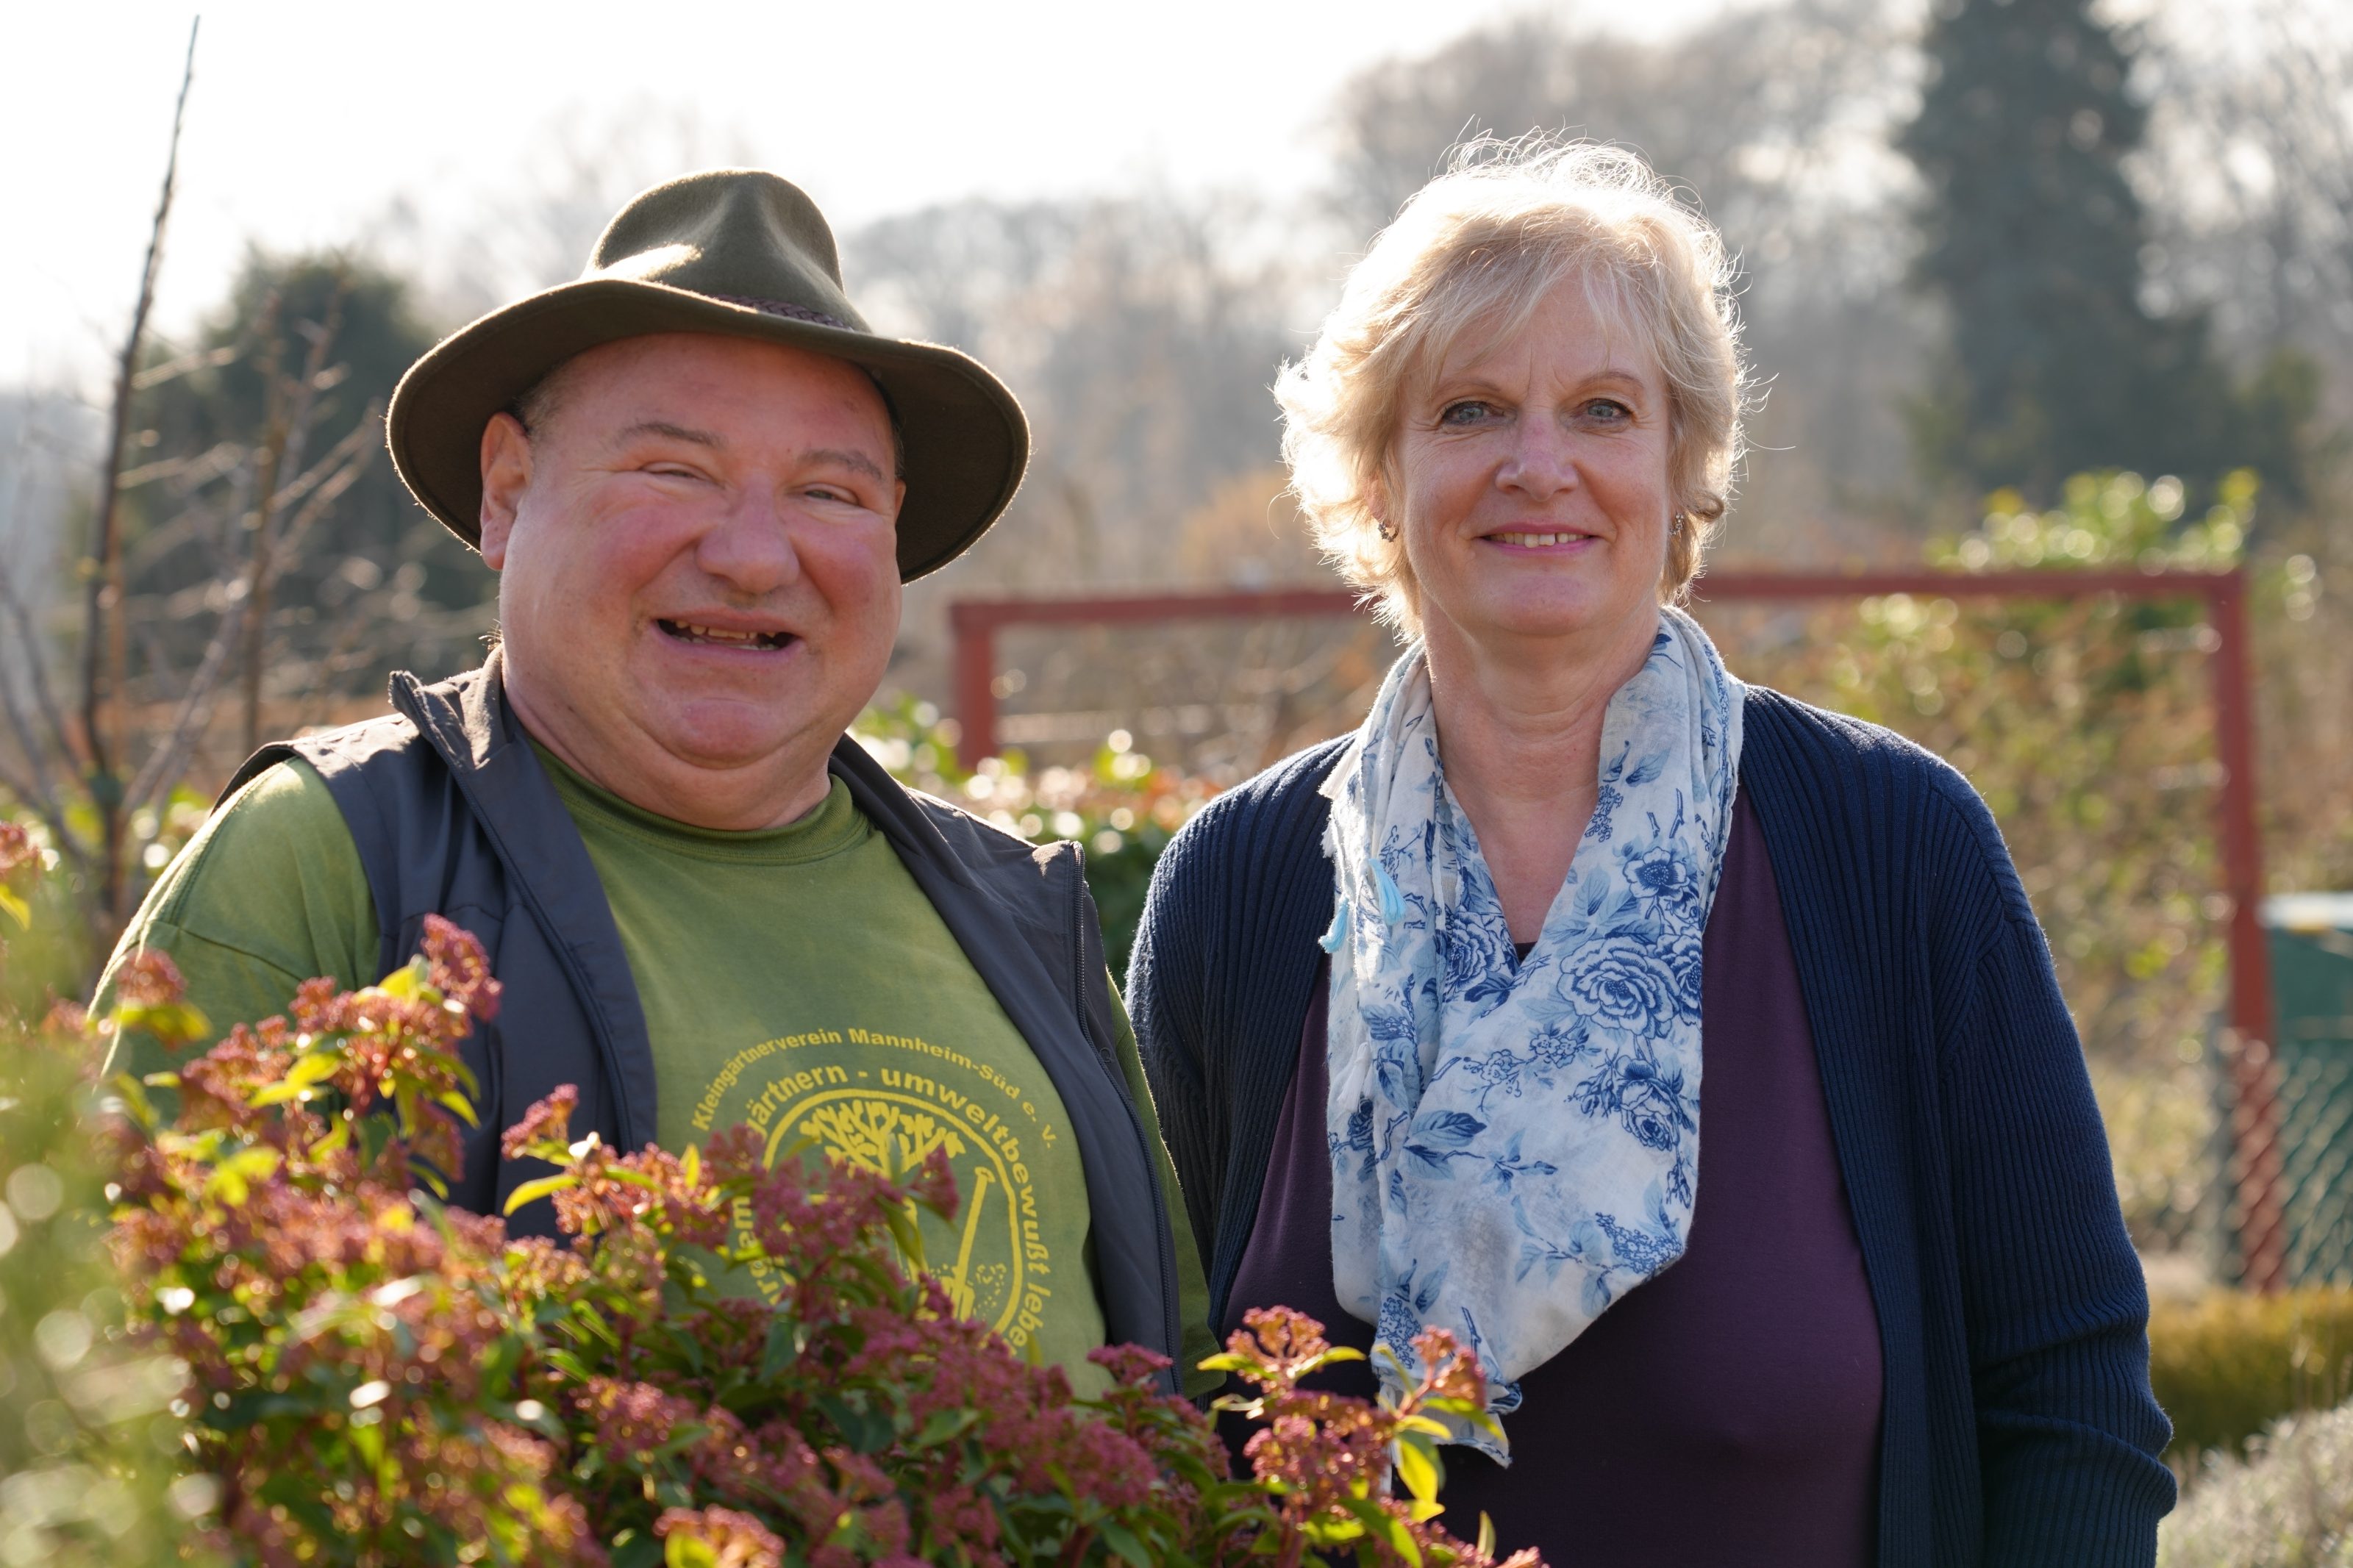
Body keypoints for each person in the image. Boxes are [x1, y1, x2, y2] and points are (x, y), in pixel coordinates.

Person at [1126, 142, 2173, 1562]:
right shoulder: (1241, 891)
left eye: (1603, 409)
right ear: (1380, 476)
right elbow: (1148, 1410)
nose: (1537, 463)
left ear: (1682, 469)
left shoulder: (1896, 853)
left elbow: (2071, 1406)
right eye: (1472, 407)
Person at [96, 168, 1215, 1398]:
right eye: (674, 472)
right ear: (508, 489)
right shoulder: (331, 860)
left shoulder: (1024, 917)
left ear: (891, 526)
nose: (749, 555)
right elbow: (123, 1407)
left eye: (827, 493)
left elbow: (1200, 1414)